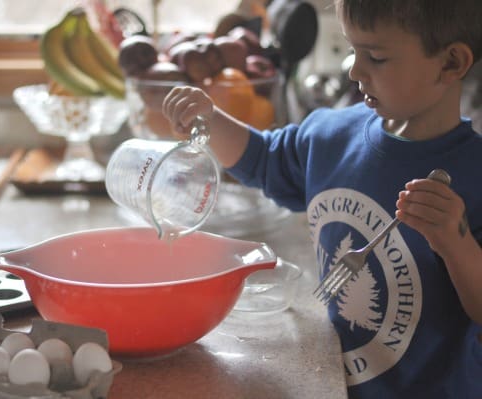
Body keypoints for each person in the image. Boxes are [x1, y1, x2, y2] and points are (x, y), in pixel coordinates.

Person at [161, 0, 482, 397]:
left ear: (451, 63)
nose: (354, 70)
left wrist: (457, 243)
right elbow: (264, 159)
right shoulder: (329, 137)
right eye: (352, 49)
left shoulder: (474, 174)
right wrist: (209, 119)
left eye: (376, 57)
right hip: (330, 383)